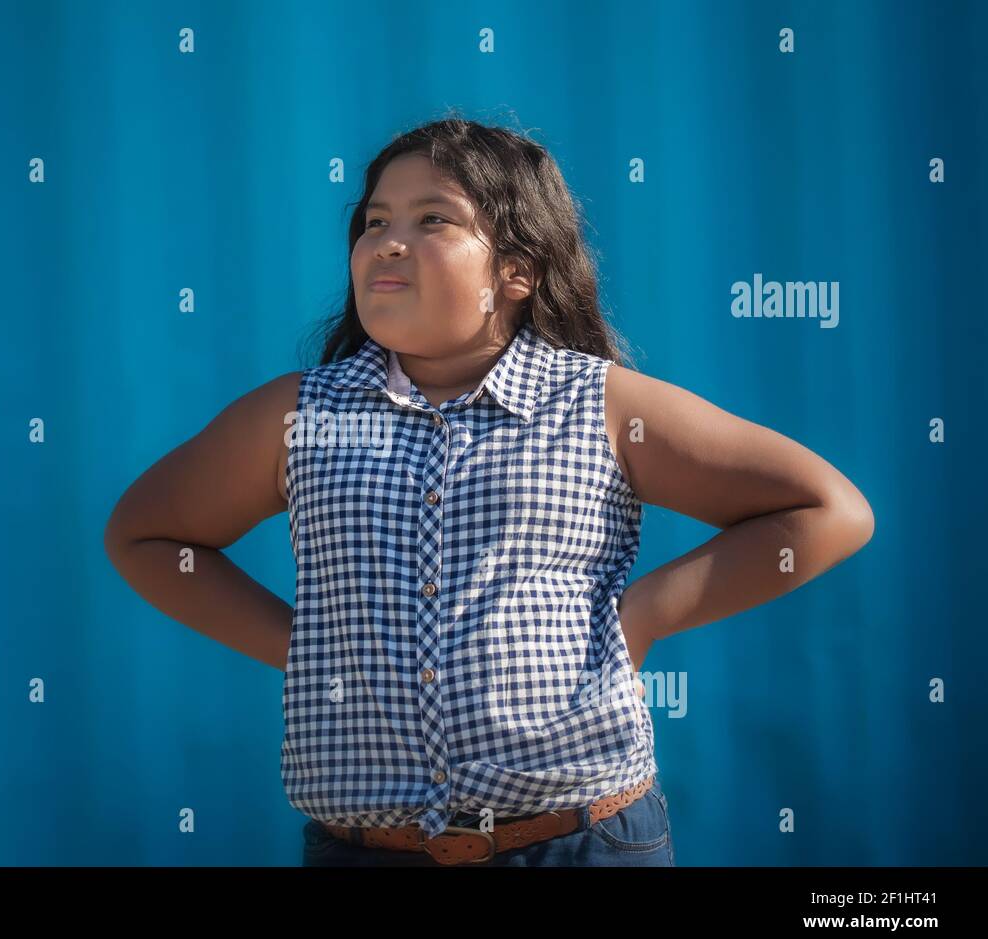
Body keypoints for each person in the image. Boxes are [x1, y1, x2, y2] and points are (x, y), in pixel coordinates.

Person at [103, 117, 874, 867]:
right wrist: (307, 650)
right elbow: (145, 536)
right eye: (374, 221)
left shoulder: (601, 406)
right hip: (366, 851)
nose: (388, 242)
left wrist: (639, 618)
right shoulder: (298, 415)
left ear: (516, 271)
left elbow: (827, 512)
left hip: (582, 841)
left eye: (433, 219)